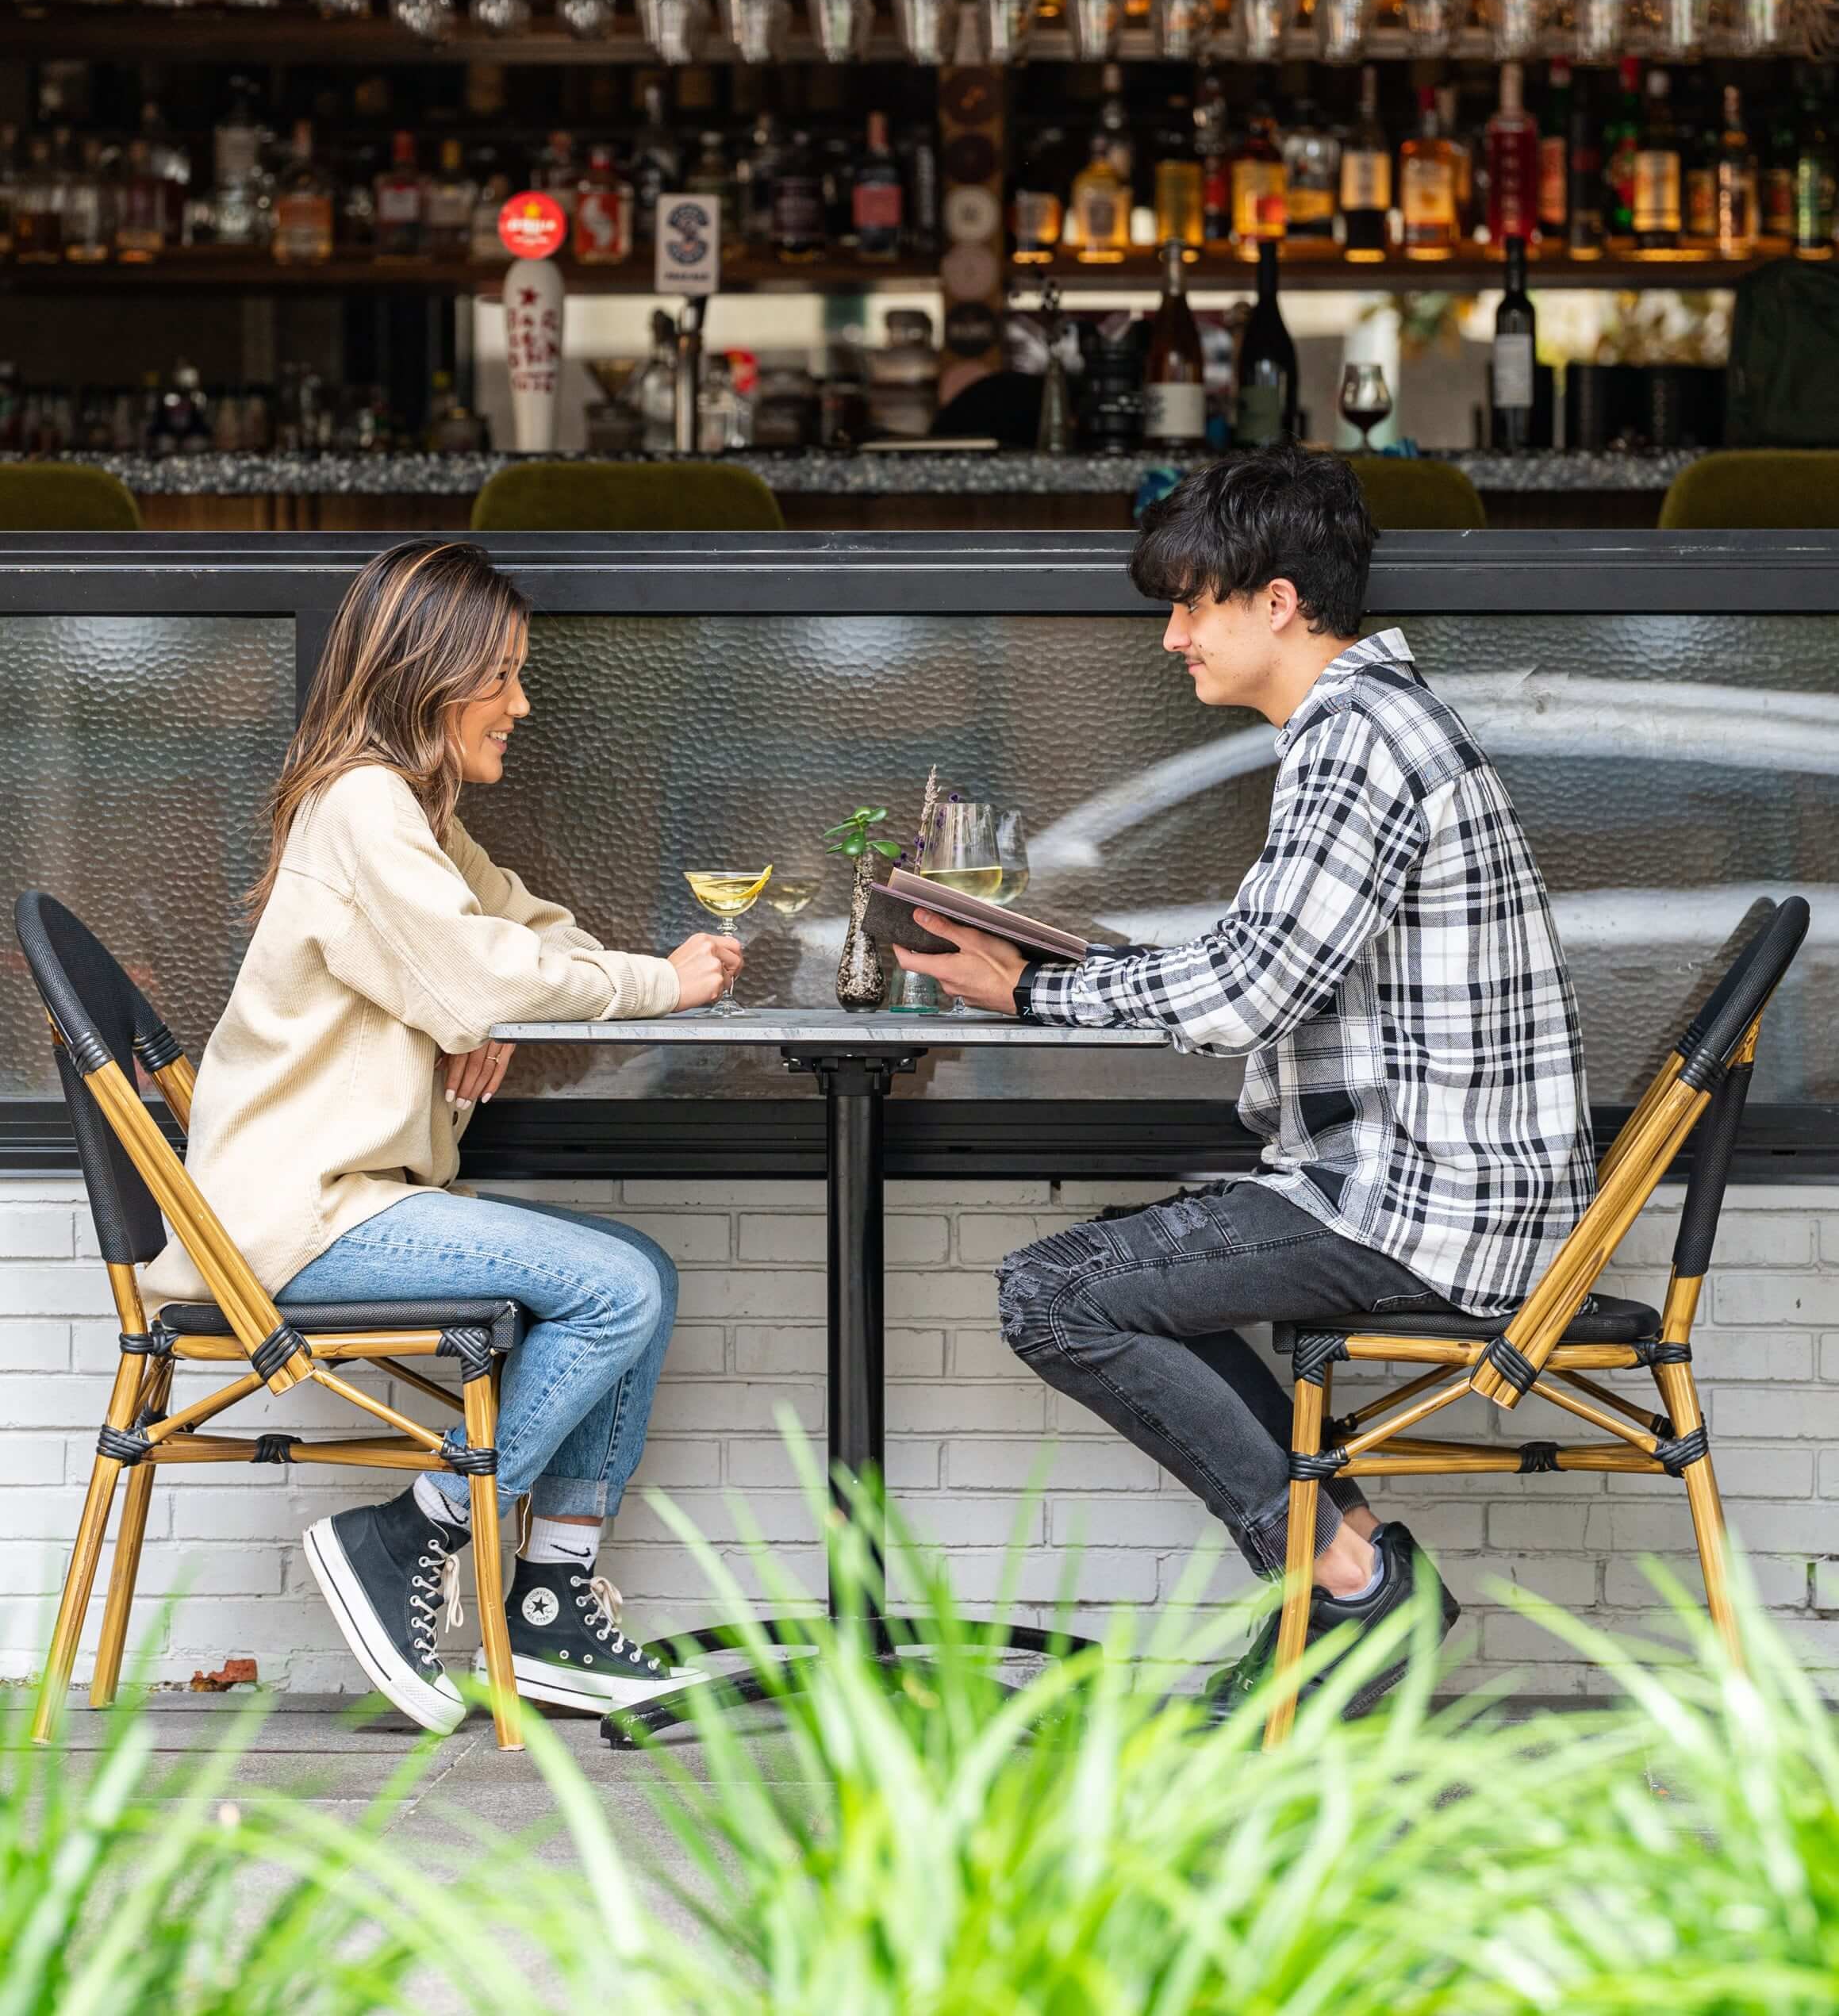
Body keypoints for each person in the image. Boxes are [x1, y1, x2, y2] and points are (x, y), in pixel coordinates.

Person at [894, 447, 1594, 1716]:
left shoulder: (1355, 745)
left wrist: (1039, 990)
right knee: (1124, 1265)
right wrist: (1081, 969)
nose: (1171, 639)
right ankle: (1355, 1587)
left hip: (1420, 1206)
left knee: (1055, 1294)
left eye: (1190, 603)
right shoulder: (1375, 726)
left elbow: (1242, 996)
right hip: (1431, 1186)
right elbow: (1257, 962)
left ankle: (1349, 1588)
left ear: (1275, 602)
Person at [142, 539, 743, 1734]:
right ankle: (408, 1533)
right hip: (301, 1215)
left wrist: (491, 1001)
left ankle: (551, 1606)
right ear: (433, 673)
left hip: (352, 1202)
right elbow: (479, 968)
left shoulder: (412, 814)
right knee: (616, 1288)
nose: (522, 704)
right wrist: (658, 987)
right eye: (506, 676)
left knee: (644, 1279)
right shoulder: (360, 805)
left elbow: (523, 931)